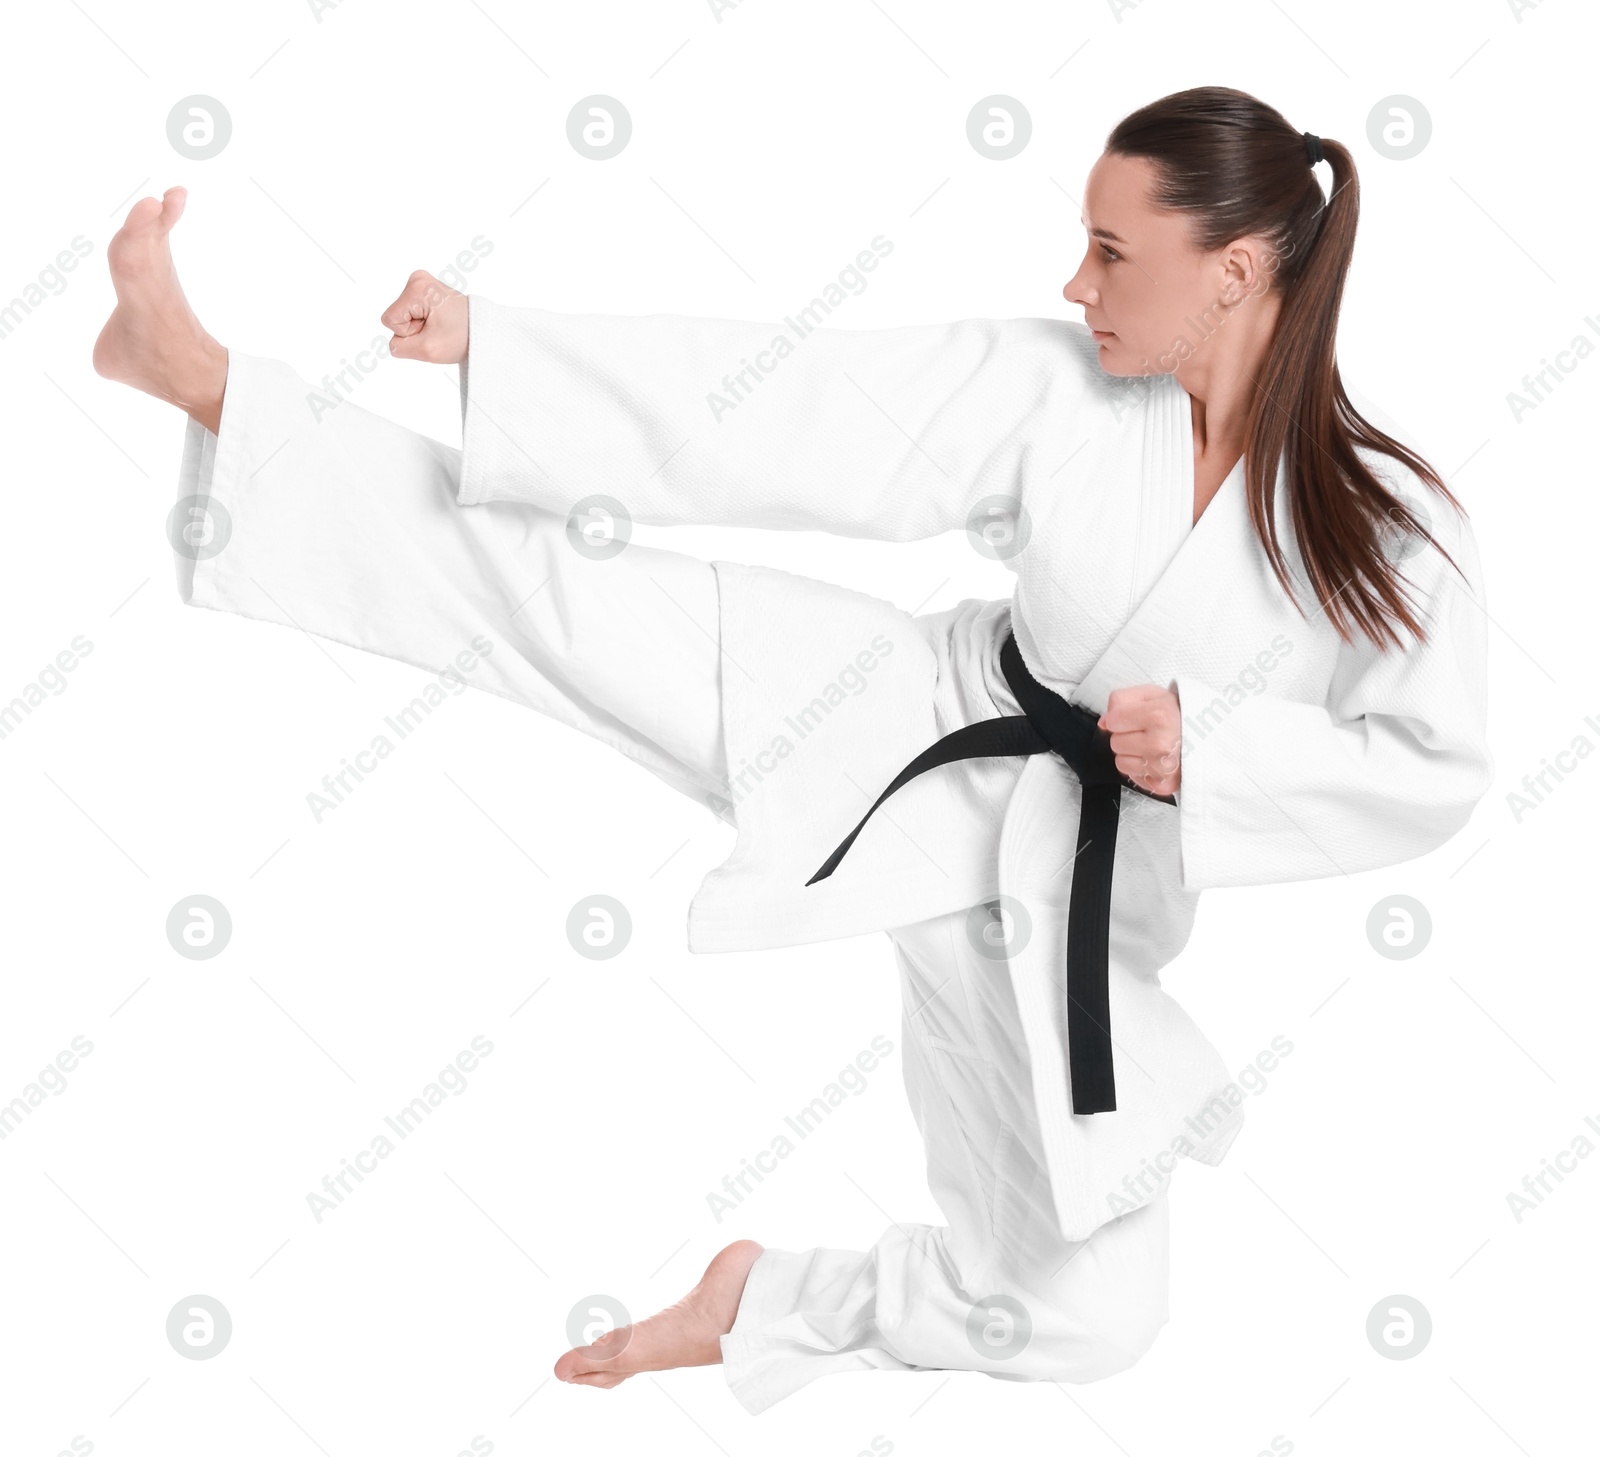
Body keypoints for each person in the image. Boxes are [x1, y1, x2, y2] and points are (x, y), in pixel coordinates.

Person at [92, 86, 1492, 1415]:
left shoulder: (1387, 533)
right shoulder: (1060, 391)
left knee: (1093, 1318)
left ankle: (758, 1301)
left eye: (1112, 251)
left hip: (1062, 903)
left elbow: (1432, 764)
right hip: (902, 724)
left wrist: (1222, 751)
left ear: (1234, 273)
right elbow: (796, 408)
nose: (1078, 282)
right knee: (556, 604)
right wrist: (503, 350)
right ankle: (206, 380)